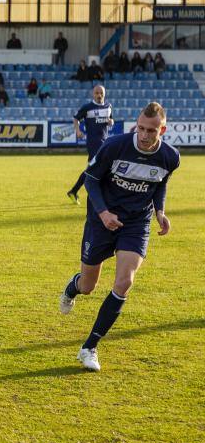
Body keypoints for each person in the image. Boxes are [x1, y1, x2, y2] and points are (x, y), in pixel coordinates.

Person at [59, 102, 179, 372]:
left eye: (151, 131)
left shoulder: (171, 157)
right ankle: (72, 287)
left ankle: (89, 347)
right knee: (88, 285)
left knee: (124, 282)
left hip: (136, 223)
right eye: (140, 129)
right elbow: (90, 179)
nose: (145, 135)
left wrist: (160, 212)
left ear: (163, 129)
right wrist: (103, 213)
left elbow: (160, 184)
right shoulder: (115, 146)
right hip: (102, 221)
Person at [67, 85, 114, 204]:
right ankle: (103, 194)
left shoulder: (108, 106)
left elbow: (111, 120)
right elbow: (76, 119)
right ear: (93, 94)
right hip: (93, 142)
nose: (99, 95)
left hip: (105, 142)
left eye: (101, 93)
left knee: (93, 168)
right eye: (97, 93)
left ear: (104, 94)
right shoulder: (87, 107)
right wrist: (78, 130)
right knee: (100, 167)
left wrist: (111, 122)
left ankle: (74, 191)